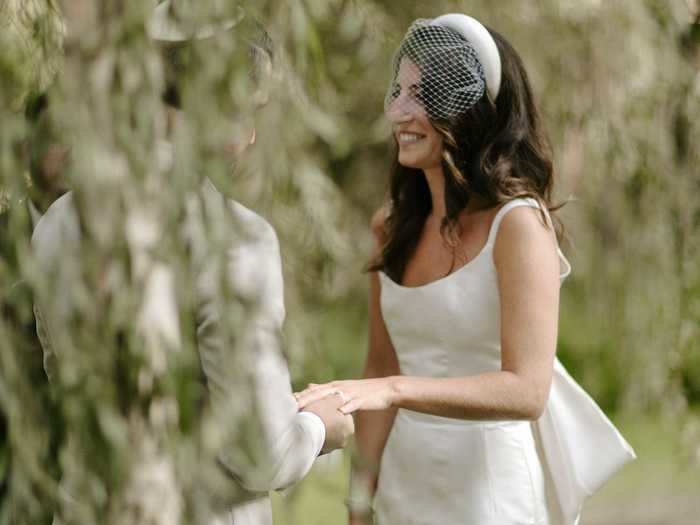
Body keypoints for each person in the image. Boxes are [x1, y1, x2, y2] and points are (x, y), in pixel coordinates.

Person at [295, 14, 635, 525]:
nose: (398, 112)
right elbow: (378, 364)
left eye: (421, 96)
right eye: (399, 91)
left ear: (469, 111)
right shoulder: (391, 227)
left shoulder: (519, 225)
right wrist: (360, 500)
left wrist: (395, 388)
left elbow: (526, 390)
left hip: (492, 498)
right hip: (403, 492)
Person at [31, 2, 353, 524]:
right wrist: (319, 428)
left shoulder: (57, 224)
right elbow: (260, 453)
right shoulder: (234, 239)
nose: (249, 138)